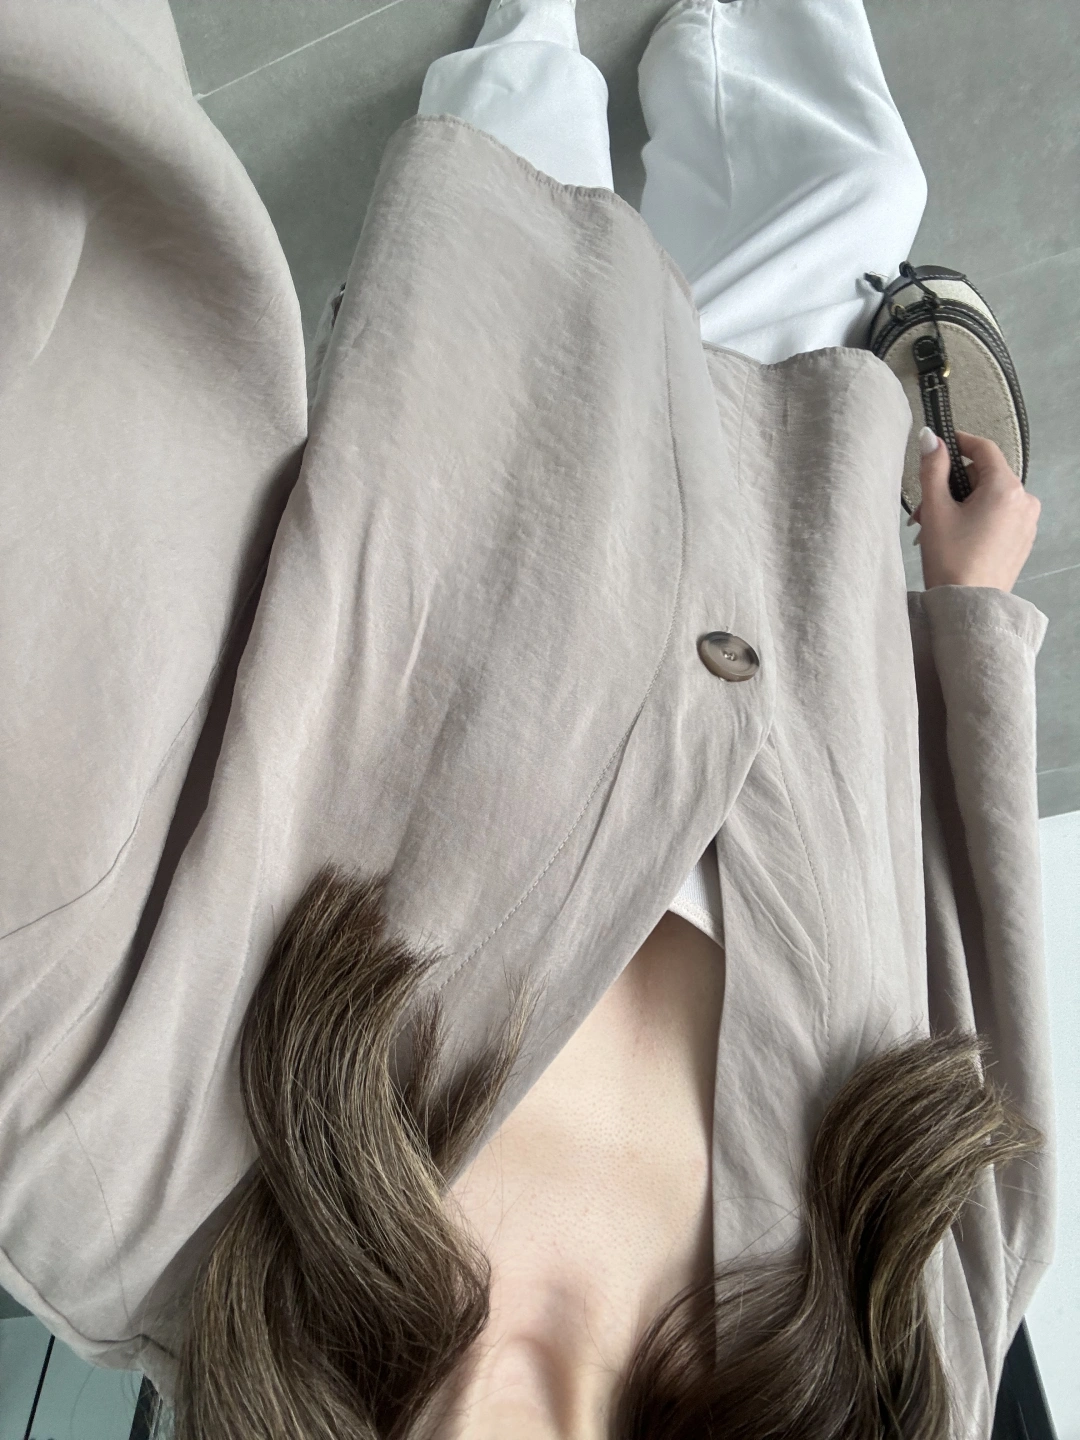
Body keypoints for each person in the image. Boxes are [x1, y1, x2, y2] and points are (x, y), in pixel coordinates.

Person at [0, 2, 1049, 1439]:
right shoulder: (911, 1392)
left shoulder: (114, 1170)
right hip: (802, 536)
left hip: (514, 419)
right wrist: (970, 621)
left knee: (526, 93)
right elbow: (985, 1076)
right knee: (846, 168)